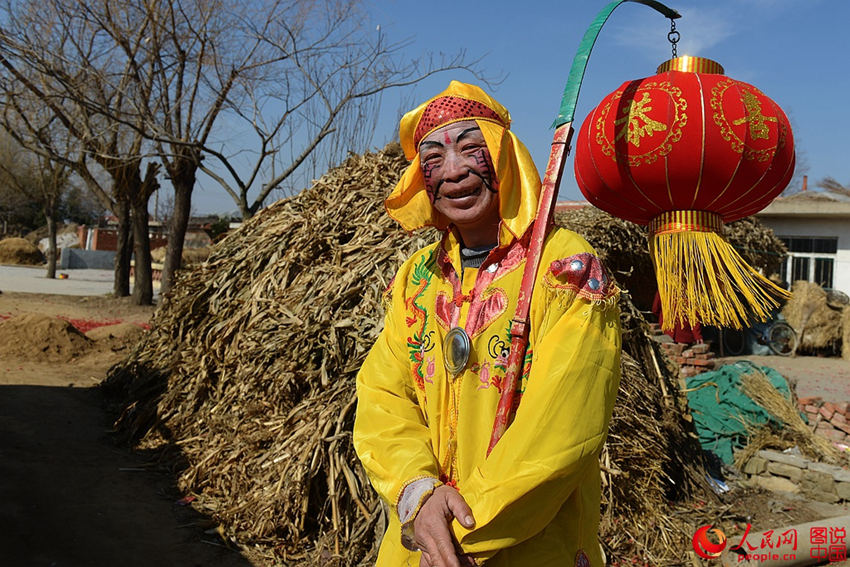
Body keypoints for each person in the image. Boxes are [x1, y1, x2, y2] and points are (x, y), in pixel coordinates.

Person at [353, 81, 621, 567]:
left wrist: (465, 529)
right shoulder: (416, 278)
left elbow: (563, 427)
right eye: (432, 158)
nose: (453, 172)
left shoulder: (567, 270)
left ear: (504, 158)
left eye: (470, 150)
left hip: (523, 546)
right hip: (423, 544)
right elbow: (382, 396)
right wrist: (418, 493)